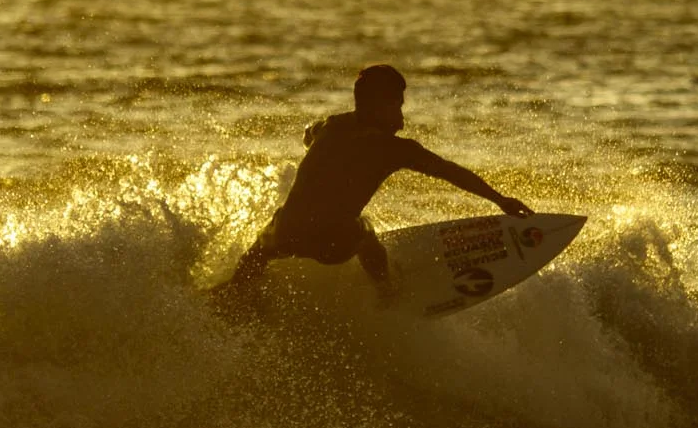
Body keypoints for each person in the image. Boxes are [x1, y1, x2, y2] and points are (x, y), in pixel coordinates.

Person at [219, 64, 533, 293]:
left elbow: (308, 133)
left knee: (266, 239)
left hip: (287, 232)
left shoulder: (330, 126)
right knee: (365, 229)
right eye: (397, 105)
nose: (402, 115)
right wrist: (500, 200)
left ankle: (233, 291)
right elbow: (452, 172)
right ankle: (386, 290)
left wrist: (316, 145)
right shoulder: (394, 150)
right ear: (380, 106)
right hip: (332, 243)